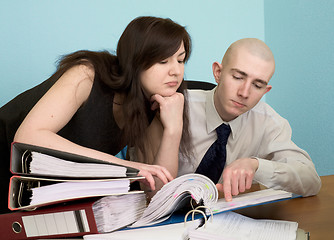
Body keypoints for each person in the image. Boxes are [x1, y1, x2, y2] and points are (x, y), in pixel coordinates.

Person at [0, 16, 192, 213]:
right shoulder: (87, 74)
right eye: (163, 61)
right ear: (135, 61)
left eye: (181, 60)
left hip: (30, 190)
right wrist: (125, 166)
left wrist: (173, 128)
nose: (176, 71)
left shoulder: (156, 103)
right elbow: (27, 137)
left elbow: (155, 192)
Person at [179, 38, 321, 202]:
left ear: (265, 90)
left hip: (230, 220)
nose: (244, 93)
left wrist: (257, 166)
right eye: (238, 77)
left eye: (257, 85)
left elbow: (311, 180)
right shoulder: (179, 107)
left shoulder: (269, 122)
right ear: (218, 72)